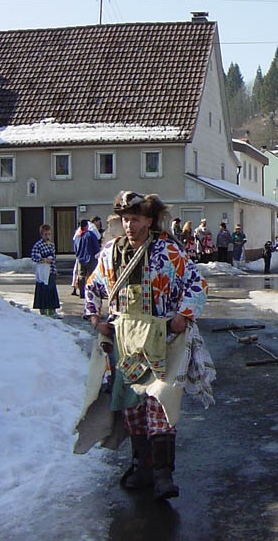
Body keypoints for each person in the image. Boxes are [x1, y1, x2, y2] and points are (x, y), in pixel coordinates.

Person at [78, 190, 215, 501]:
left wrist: (183, 315)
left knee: (159, 403)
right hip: (125, 342)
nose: (129, 225)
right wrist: (95, 319)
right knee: (132, 406)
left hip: (161, 341)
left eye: (135, 219)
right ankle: (142, 467)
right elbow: (93, 286)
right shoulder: (111, 253)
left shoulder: (168, 251)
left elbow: (197, 283)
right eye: (126, 219)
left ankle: (163, 475)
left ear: (149, 221)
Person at [31, 223, 61, 318]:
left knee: (52, 290)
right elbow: (33, 257)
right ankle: (43, 311)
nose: (47, 236)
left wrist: (55, 271)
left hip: (50, 271)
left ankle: (52, 310)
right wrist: (44, 260)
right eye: (45, 234)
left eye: (49, 234)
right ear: (42, 234)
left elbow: (53, 260)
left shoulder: (51, 245)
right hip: (43, 272)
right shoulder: (38, 245)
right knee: (43, 291)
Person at [73, 219, 101, 299]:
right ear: (87, 226)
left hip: (80, 259)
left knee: (81, 276)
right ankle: (92, 291)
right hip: (91, 258)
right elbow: (96, 246)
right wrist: (97, 254)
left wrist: (78, 255)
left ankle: (82, 293)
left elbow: (75, 248)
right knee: (93, 275)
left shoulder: (77, 235)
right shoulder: (90, 234)